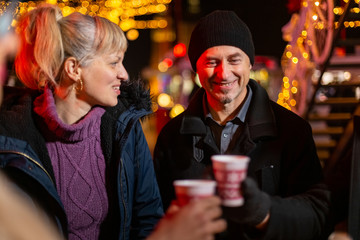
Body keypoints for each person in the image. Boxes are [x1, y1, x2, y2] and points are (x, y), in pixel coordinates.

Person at [0, 4, 227, 240]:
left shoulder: (125, 129)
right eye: (113, 62)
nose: (124, 74)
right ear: (74, 69)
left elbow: (147, 219)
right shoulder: (11, 140)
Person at [154, 10, 330, 240]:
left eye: (234, 59)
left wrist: (263, 211)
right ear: (196, 68)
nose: (224, 72)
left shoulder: (291, 131)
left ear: (250, 64)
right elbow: (154, 212)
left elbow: (318, 218)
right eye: (211, 61)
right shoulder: (172, 136)